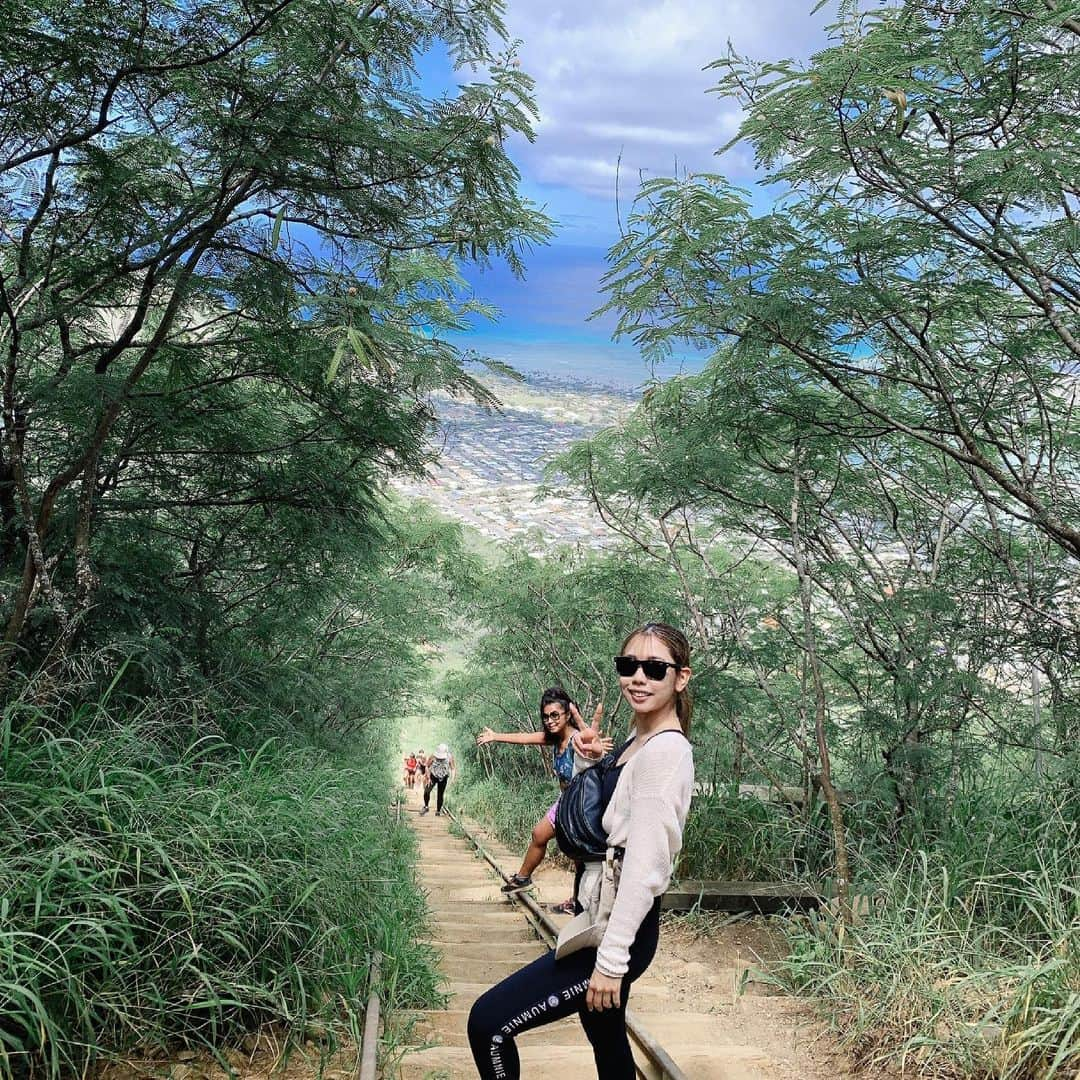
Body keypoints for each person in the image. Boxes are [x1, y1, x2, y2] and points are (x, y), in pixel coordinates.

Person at [468, 622, 694, 1080]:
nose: (638, 677)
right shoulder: (638, 741)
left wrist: (611, 962)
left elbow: (646, 866)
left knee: (488, 1023)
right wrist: (592, 760)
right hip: (601, 915)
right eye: (628, 665)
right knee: (605, 1032)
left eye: (654, 668)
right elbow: (608, 818)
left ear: (680, 677)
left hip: (619, 929)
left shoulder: (665, 753)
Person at [476, 687, 609, 913]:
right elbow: (524, 738)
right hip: (565, 803)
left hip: (582, 808)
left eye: (555, 715)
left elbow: (592, 755)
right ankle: (525, 879)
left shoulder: (578, 739)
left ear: (568, 715)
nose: (549, 720)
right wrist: (495, 736)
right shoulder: (555, 739)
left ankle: (575, 901)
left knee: (578, 855)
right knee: (544, 837)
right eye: (546, 716)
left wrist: (595, 751)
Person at [420, 743, 455, 816]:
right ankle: (426, 806)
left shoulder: (450, 757)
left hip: (444, 776)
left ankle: (438, 810)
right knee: (427, 790)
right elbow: (427, 766)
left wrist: (452, 778)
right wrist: (428, 777)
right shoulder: (433, 756)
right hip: (433, 775)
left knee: (440, 794)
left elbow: (453, 768)